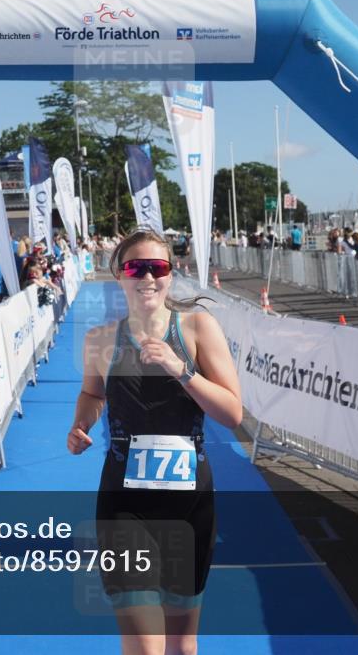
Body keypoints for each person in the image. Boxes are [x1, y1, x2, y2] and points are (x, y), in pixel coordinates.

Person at [67, 229, 242, 654]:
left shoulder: (197, 328)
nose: (147, 277)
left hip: (189, 501)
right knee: (146, 644)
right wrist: (81, 424)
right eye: (136, 267)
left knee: (182, 643)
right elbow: (93, 394)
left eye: (157, 267)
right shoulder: (101, 339)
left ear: (170, 273)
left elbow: (232, 414)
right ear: (119, 274)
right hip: (124, 501)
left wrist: (181, 370)